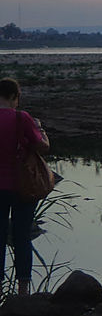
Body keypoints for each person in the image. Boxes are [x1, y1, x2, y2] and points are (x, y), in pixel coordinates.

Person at [0, 78, 50, 297]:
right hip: (23, 187)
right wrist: (40, 128)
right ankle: (23, 290)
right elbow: (43, 147)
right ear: (14, 97)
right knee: (22, 236)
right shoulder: (22, 118)